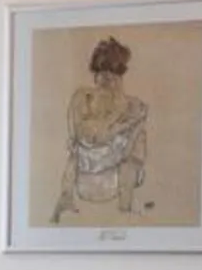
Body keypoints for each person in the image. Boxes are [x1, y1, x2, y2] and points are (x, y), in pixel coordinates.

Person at [53, 35, 148, 223]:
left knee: (137, 132)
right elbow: (89, 136)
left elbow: (133, 151)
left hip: (116, 173)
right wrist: (125, 124)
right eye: (103, 74)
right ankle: (65, 199)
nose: (108, 80)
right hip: (86, 169)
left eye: (114, 75)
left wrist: (134, 124)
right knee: (130, 126)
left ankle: (125, 210)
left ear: (120, 75)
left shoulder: (130, 104)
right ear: (96, 73)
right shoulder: (82, 98)